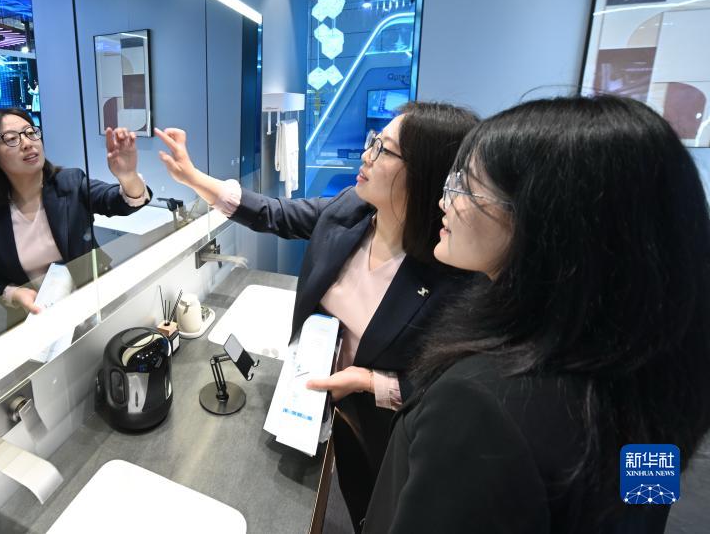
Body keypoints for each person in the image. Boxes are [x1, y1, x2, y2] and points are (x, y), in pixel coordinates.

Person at [363, 96, 710, 533]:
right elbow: (644, 509)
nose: (445, 201)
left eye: (466, 185)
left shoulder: (480, 407)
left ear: (548, 219)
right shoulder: (651, 379)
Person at [156, 102, 479, 530]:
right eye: (373, 141)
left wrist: (370, 382)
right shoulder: (351, 210)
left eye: (383, 149)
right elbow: (275, 213)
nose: (366, 154)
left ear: (423, 172)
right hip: (324, 406)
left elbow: (457, 383)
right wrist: (194, 177)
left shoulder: (450, 271)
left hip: (386, 433)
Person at [0, 108, 152, 313]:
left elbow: (117, 201)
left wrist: (128, 176)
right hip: (38, 317)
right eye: (11, 139)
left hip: (95, 302)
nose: (27, 143)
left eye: (30, 132)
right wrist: (14, 294)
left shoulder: (70, 182)